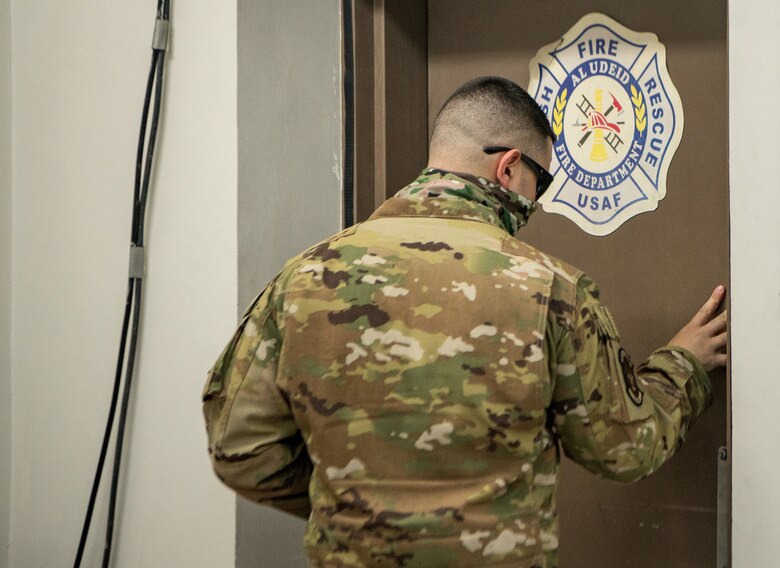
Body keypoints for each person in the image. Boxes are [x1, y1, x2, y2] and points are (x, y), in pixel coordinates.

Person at [202, 77, 727, 568]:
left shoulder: (303, 277)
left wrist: (358, 508)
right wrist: (684, 364)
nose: (535, 203)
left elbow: (239, 449)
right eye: (539, 185)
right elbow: (625, 449)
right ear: (509, 168)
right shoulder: (549, 288)